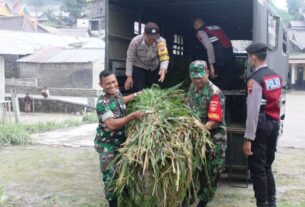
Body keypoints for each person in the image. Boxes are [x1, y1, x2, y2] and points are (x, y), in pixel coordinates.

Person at [94, 70, 144, 207]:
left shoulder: (117, 93)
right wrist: (131, 117)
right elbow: (111, 124)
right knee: (110, 176)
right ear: (101, 85)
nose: (112, 85)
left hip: (121, 142)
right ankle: (113, 203)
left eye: (113, 82)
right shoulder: (102, 103)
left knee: (124, 171)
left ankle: (125, 199)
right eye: (108, 83)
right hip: (107, 144)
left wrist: (136, 95)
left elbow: (122, 100)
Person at [242, 43, 282, 207]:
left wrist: (248, 138)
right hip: (274, 122)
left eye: (249, 56)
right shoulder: (274, 76)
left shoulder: (255, 79)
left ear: (253, 57)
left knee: (257, 168)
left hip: (261, 124)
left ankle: (263, 204)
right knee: (267, 166)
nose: (249, 59)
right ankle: (271, 202)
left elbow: (253, 110)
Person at [187, 60, 227, 207]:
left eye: (200, 77)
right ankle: (188, 198)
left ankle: (203, 202)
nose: (198, 80)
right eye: (194, 77)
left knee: (210, 172)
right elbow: (189, 105)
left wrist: (198, 129)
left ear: (207, 74)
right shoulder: (192, 87)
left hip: (213, 138)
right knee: (193, 168)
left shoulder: (215, 93)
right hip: (197, 135)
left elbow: (214, 120)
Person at [124, 22, 170, 92]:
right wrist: (129, 76)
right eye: (150, 38)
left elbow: (164, 57)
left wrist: (163, 69)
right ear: (144, 34)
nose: (152, 41)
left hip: (153, 67)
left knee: (154, 89)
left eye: (154, 38)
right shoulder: (135, 41)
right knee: (139, 89)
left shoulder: (161, 41)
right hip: (139, 66)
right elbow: (130, 59)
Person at [193, 18, 234, 90]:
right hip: (230, 55)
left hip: (219, 57)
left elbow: (209, 47)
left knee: (214, 78)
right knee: (228, 79)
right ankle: (229, 98)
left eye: (193, 25)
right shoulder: (216, 27)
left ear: (196, 24)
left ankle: (215, 97)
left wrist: (211, 66)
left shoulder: (201, 31)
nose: (194, 28)